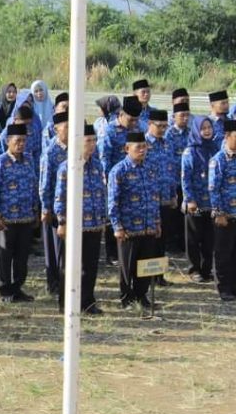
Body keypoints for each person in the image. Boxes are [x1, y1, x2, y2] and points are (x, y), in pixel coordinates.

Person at [54, 124, 106, 314]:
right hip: (74, 226)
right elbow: (60, 196)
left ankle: (87, 302)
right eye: (88, 141)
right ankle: (66, 303)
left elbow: (101, 194)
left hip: (93, 225)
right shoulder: (67, 167)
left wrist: (102, 219)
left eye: (94, 141)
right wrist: (62, 221)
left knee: (90, 266)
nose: (92, 145)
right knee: (69, 267)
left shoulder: (97, 166)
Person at [108, 132, 162, 311]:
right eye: (137, 147)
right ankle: (126, 298)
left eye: (144, 146)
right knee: (127, 267)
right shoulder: (119, 171)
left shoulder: (151, 168)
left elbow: (154, 197)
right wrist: (117, 226)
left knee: (144, 266)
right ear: (127, 148)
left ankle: (141, 295)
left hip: (147, 226)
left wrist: (157, 222)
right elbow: (113, 202)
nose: (142, 150)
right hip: (129, 228)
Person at [0, 123, 39, 303]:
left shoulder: (29, 159)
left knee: (22, 256)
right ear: (8, 141)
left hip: (25, 216)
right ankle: (5, 290)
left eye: (24, 141)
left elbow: (34, 185)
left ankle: (17, 288)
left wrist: (35, 209)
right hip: (7, 218)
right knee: (5, 256)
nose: (21, 144)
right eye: (17, 141)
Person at [98, 95, 142, 265]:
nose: (133, 123)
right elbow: (104, 157)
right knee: (113, 213)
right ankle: (112, 253)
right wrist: (107, 179)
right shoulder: (109, 130)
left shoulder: (137, 128)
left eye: (136, 120)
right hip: (114, 178)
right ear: (122, 114)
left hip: (133, 177)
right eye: (131, 120)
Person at [180, 111, 217, 283]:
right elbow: (185, 177)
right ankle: (194, 270)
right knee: (194, 238)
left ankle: (206, 269)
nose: (207, 131)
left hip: (211, 203)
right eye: (203, 128)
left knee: (209, 239)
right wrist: (189, 199)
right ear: (196, 130)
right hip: (195, 202)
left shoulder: (215, 148)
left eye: (209, 127)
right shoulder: (190, 152)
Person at [146, 108, 180, 282]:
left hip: (166, 198)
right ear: (150, 124)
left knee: (162, 238)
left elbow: (172, 170)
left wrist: (174, 194)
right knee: (151, 239)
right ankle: (148, 276)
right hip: (149, 200)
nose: (162, 130)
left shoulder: (168, 143)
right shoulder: (142, 143)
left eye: (165, 126)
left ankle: (159, 275)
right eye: (159, 126)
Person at [39, 111, 70, 296]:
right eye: (66, 127)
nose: (69, 131)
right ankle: (54, 283)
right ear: (56, 129)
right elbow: (45, 183)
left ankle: (67, 282)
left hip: (71, 207)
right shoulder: (51, 152)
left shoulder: (75, 148)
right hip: (54, 208)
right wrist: (46, 207)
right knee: (54, 249)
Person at [209, 120, 236, 302]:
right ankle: (224, 288)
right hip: (225, 216)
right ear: (227, 136)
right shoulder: (218, 160)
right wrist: (219, 212)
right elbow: (214, 188)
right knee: (224, 253)